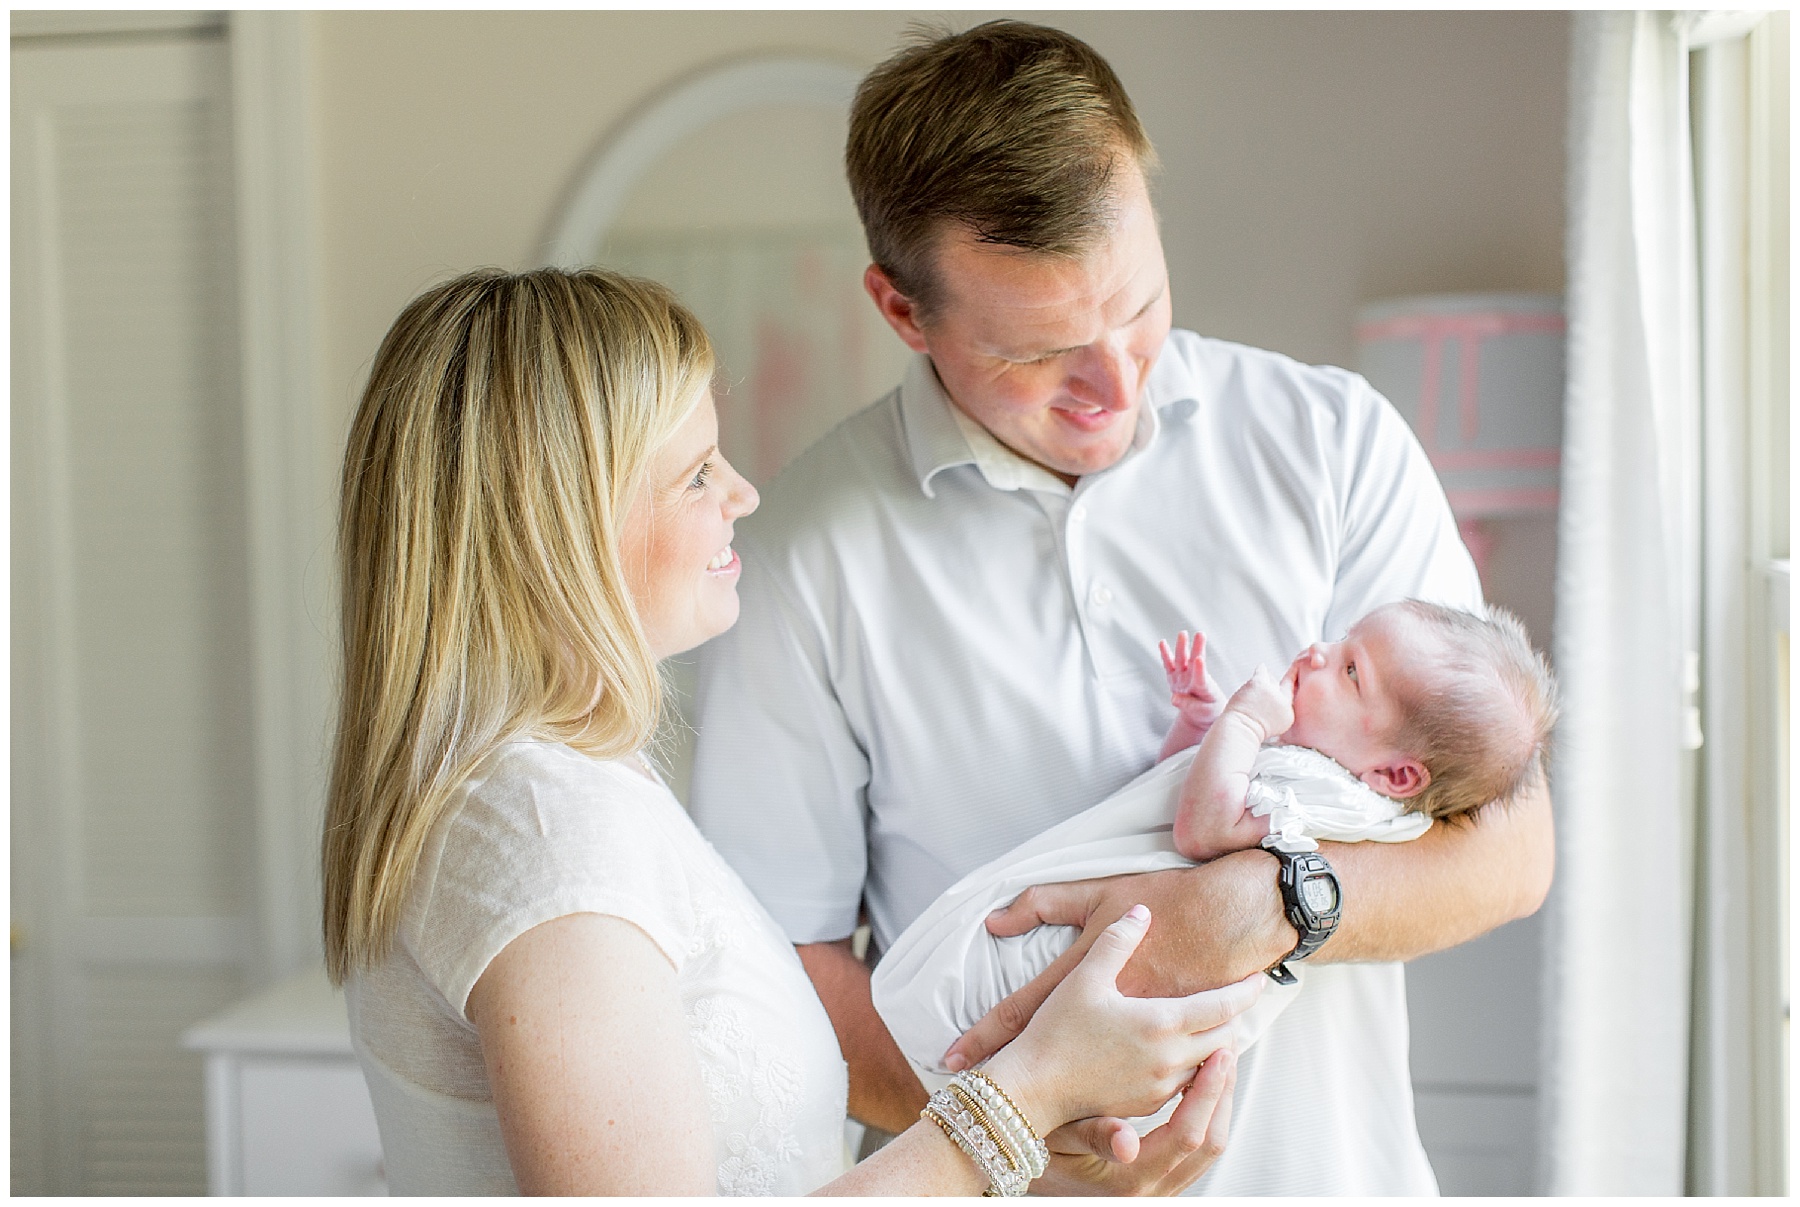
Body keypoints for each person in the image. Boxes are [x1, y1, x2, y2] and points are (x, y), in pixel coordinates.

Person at [687, 20, 1555, 1195]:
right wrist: (1028, 1124)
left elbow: (1510, 847)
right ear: (902, 311)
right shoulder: (799, 556)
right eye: (1040, 352)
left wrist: (1260, 904)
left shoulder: (1333, 443)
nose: (1115, 382)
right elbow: (782, 976)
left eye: (1137, 307)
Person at [319, 266, 1257, 1196]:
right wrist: (1028, 1090)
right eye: (694, 475)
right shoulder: (542, 820)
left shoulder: (566, 783)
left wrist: (1030, 1144)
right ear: (554, 530)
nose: (742, 493)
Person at [870, 601, 1560, 1092]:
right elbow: (1175, 791)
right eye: (1342, 639)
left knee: (995, 982)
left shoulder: (1323, 795)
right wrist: (1202, 726)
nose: (1318, 653)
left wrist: (1241, 721)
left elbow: (1202, 830)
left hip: (1141, 965)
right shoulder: (1318, 767)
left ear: (1396, 775)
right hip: (1131, 932)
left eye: (1351, 672)